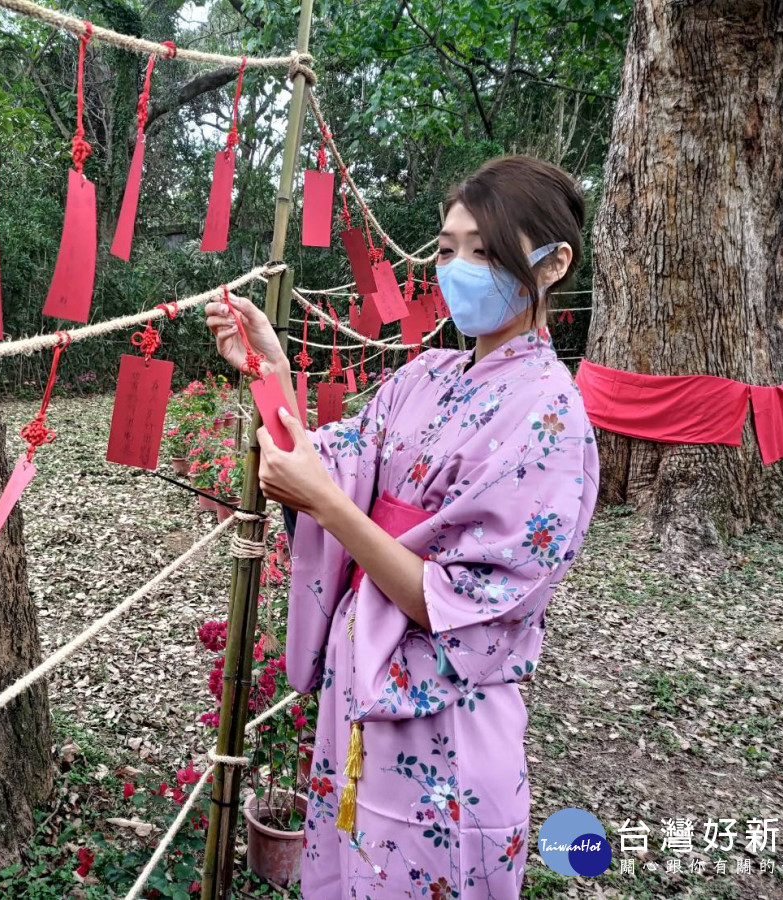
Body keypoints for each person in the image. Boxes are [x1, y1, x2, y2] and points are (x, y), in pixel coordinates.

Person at [204, 155, 600, 899]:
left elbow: (454, 600)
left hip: (447, 717)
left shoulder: (551, 417)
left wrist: (330, 508)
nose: (459, 269)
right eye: (447, 249)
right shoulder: (425, 377)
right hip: (360, 694)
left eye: (485, 251)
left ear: (551, 265)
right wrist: (271, 373)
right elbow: (329, 465)